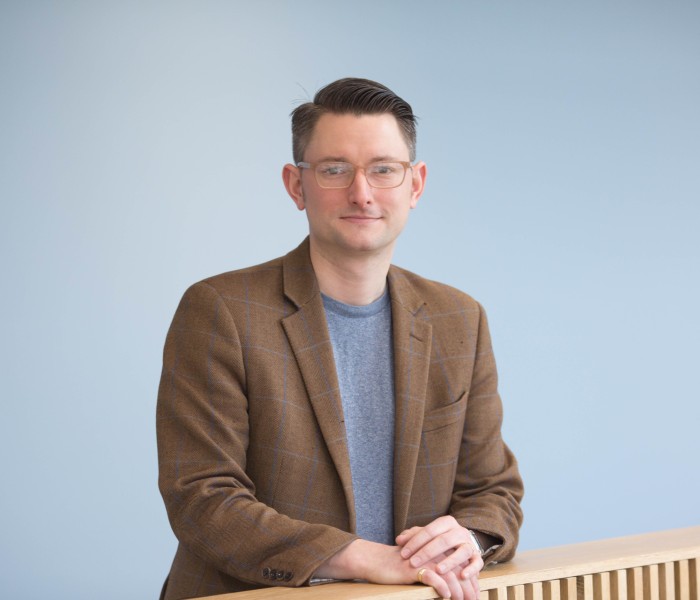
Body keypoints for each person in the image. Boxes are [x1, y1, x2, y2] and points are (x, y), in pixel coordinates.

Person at [156, 77, 524, 600]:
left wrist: (467, 537)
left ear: (415, 185)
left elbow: (494, 492)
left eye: (383, 170)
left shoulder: (459, 319)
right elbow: (201, 497)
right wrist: (362, 557)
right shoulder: (221, 311)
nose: (361, 193)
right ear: (295, 185)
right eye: (334, 170)